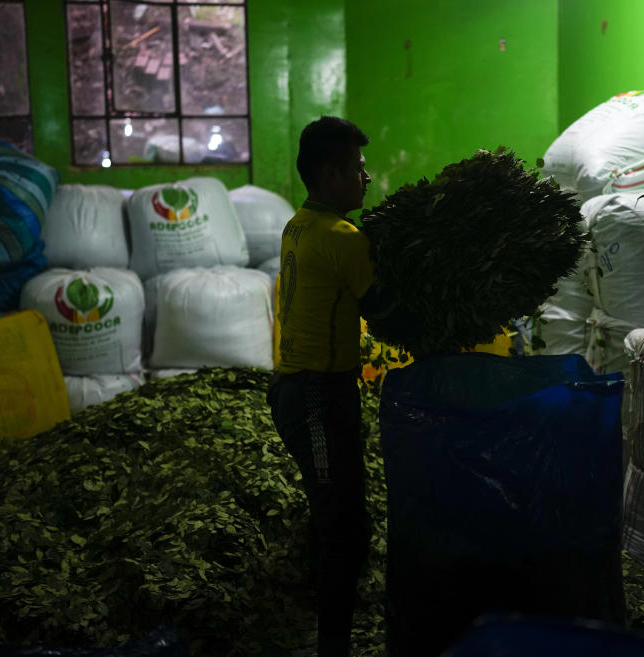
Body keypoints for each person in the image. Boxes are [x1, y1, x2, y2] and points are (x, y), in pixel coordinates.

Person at [267, 115, 390, 657]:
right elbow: (385, 311)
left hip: (307, 389)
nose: (367, 178)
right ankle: (332, 645)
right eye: (359, 170)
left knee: (335, 511)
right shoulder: (343, 237)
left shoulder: (300, 224)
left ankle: (320, 613)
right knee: (345, 526)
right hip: (315, 396)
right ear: (331, 173)